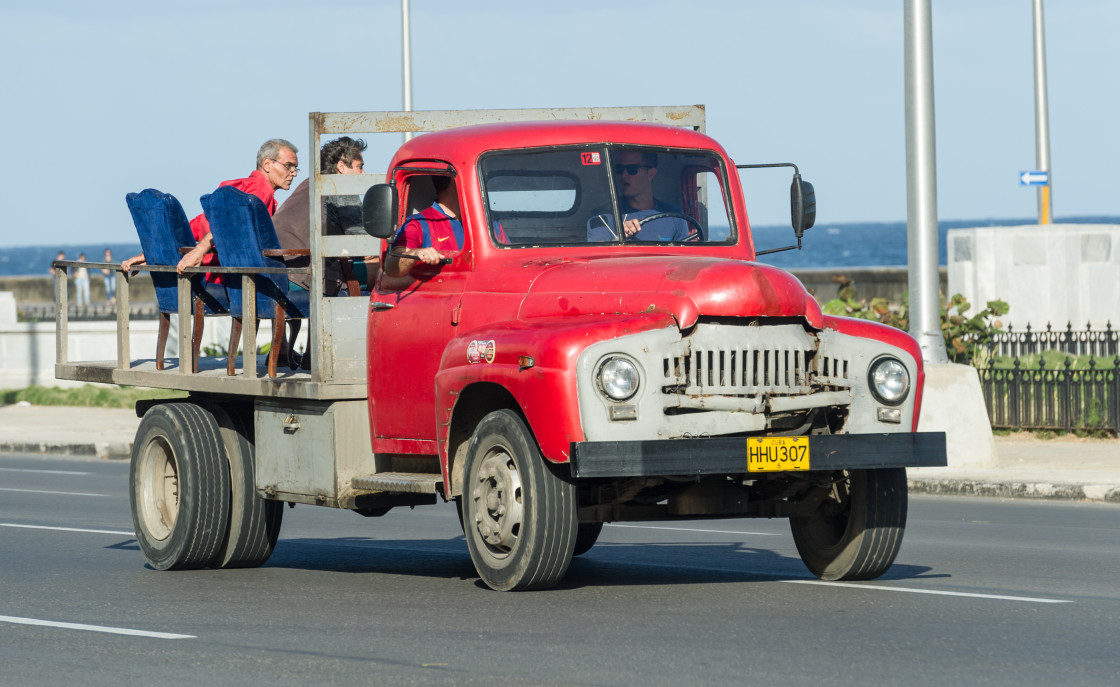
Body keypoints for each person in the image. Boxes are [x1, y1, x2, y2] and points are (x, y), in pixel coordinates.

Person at [121, 139, 300, 279]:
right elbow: (228, 226)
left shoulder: (236, 188)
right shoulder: (261, 191)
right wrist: (198, 251)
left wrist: (154, 252)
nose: (293, 173)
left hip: (208, 273)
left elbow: (197, 225)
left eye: (295, 168)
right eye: (288, 166)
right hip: (228, 279)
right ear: (267, 164)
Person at [272, 136, 367, 293]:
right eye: (359, 167)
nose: (363, 174)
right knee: (388, 271)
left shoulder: (309, 184)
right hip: (305, 274)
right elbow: (362, 244)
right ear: (341, 167)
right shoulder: (340, 186)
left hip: (279, 269)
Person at [586, 150, 693, 242]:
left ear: (651, 174)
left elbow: (684, 259)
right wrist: (619, 238)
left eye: (632, 169)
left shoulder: (675, 215)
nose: (624, 175)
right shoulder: (602, 216)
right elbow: (598, 258)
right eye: (619, 169)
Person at [384, 176, 463, 278]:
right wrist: (415, 253)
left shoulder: (483, 221)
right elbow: (391, 267)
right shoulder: (418, 223)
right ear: (454, 181)